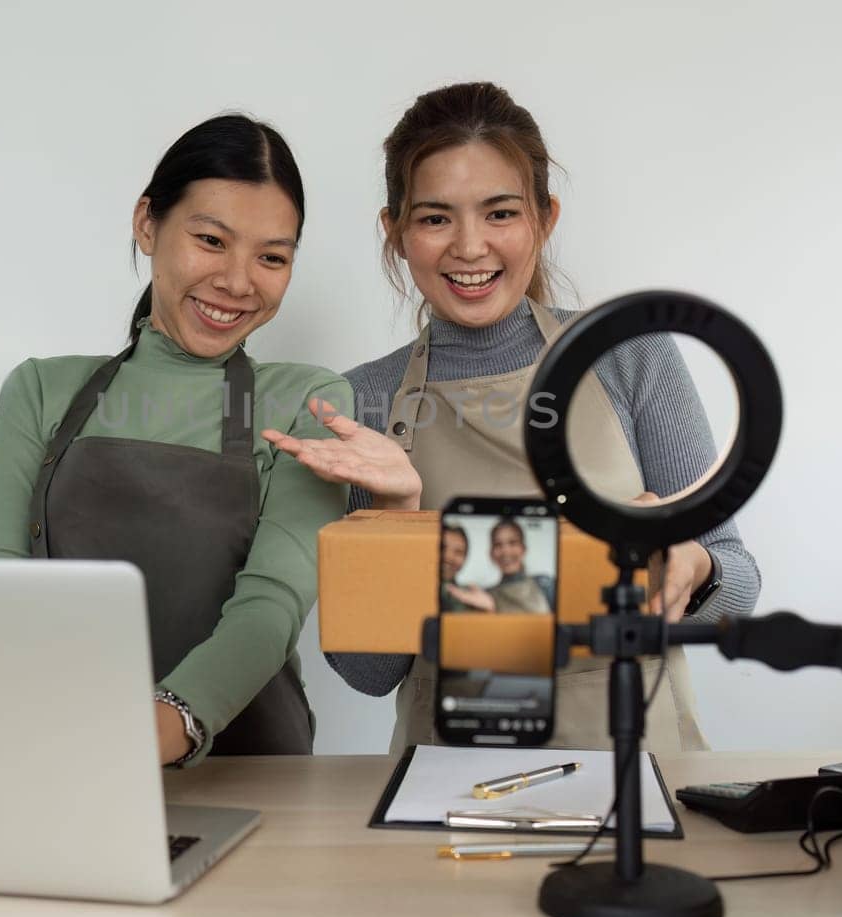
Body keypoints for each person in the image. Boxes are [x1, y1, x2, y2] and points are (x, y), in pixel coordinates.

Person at [264, 82, 760, 754]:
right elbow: (366, 673)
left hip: (636, 768)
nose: (469, 247)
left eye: (500, 213)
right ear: (397, 233)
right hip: (448, 788)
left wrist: (692, 562)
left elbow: (738, 580)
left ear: (544, 218)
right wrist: (398, 513)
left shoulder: (631, 354)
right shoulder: (364, 402)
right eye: (436, 218)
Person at [0, 114, 350, 766]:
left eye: (271, 257)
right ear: (148, 224)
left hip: (257, 782)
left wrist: (151, 734)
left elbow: (271, 607)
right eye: (210, 239)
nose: (237, 281)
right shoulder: (40, 392)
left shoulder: (307, 403)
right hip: (64, 766)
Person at [443, 517, 553, 615]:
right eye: (498, 545)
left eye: (512, 543)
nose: (505, 551)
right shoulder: (484, 596)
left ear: (523, 549)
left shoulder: (546, 584)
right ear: (491, 553)